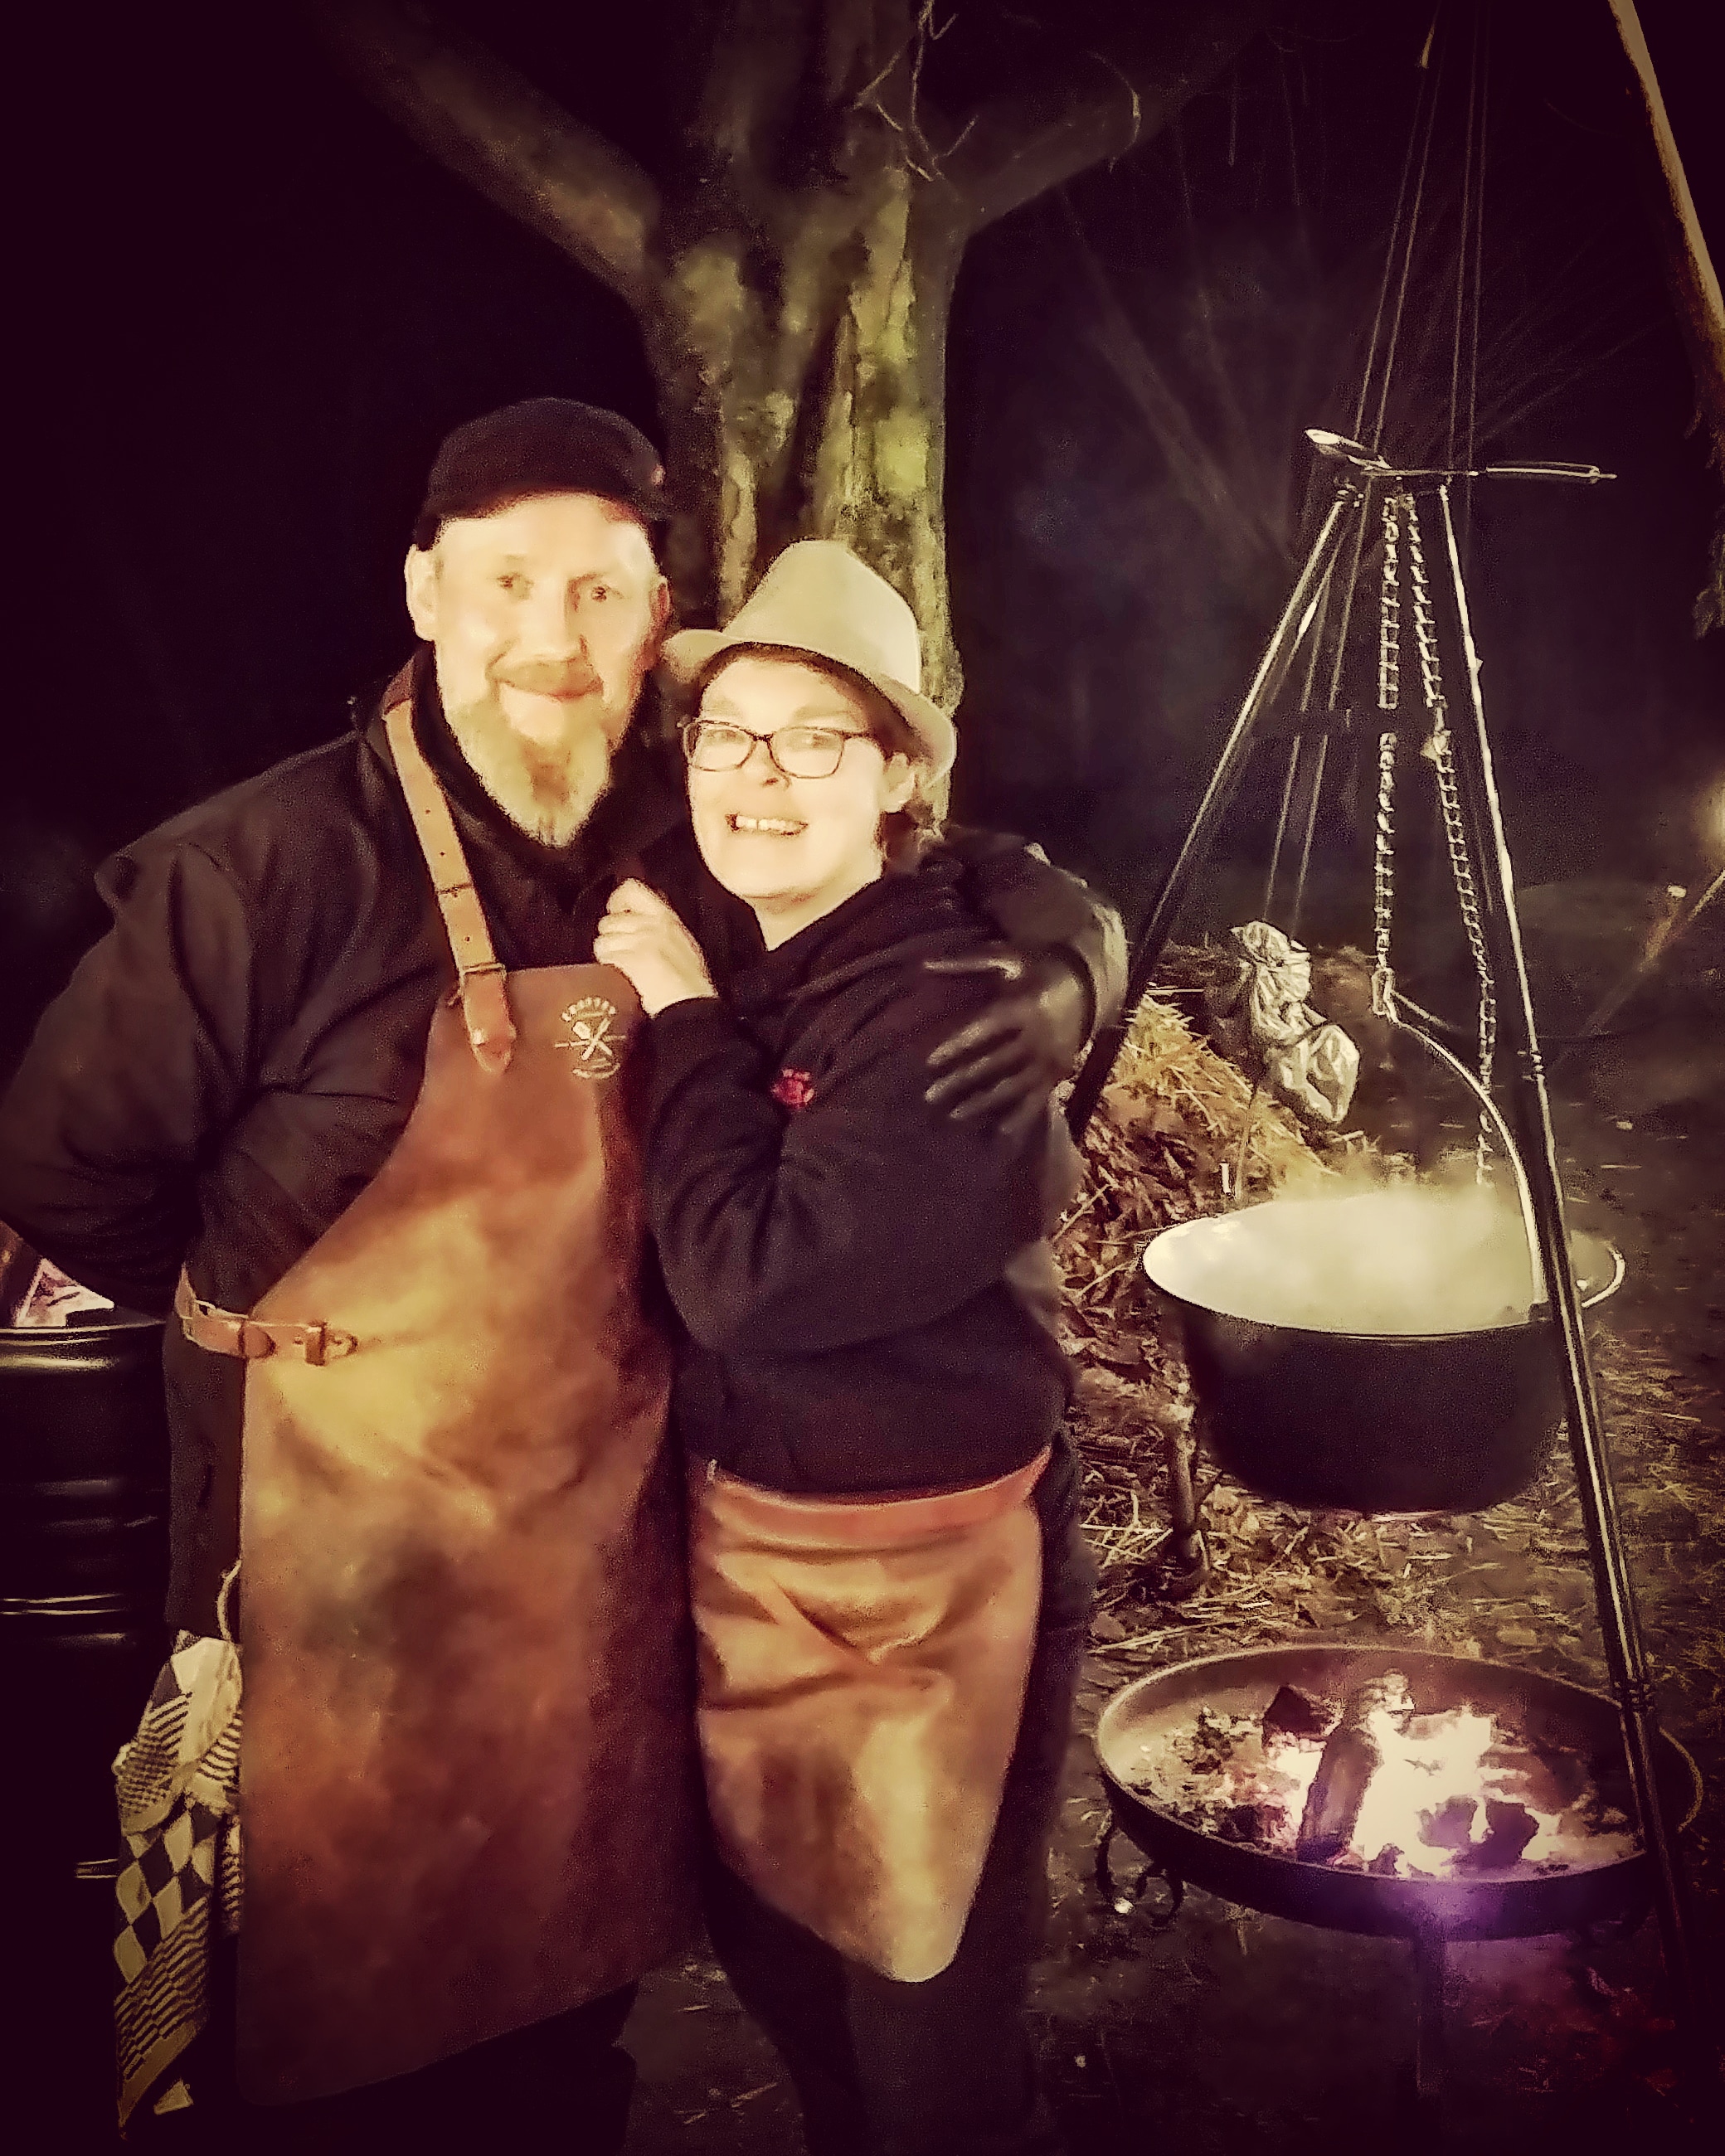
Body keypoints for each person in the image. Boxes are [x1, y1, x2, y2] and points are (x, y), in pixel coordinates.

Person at [0, 401, 1121, 2149]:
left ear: (655, 619)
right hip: (337, 1550)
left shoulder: (676, 829)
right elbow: (61, 1168)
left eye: (601, 593)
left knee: (564, 1986)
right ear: (423, 595)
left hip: (602, 1540)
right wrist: (282, 1328)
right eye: (506, 582)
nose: (553, 635)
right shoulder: (264, 871)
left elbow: (933, 855)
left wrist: (1069, 961)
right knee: (329, 2004)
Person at [595, 539, 1096, 2156]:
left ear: (894, 779)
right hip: (750, 1550)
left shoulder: (949, 1007)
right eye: (729, 735)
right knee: (778, 1962)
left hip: (933, 1579)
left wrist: (678, 1023)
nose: (760, 776)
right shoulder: (734, 915)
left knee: (925, 2022)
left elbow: (753, 1279)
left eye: (816, 739)